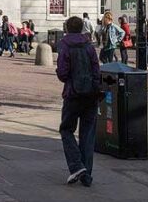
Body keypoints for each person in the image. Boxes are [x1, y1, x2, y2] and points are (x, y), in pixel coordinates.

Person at [56, 15, 101, 187]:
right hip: (90, 94)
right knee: (88, 134)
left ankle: (76, 165)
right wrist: (95, 86)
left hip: (73, 94)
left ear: (67, 28)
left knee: (66, 129)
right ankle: (86, 176)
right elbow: (96, 68)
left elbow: (62, 73)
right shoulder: (89, 45)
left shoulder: (65, 45)